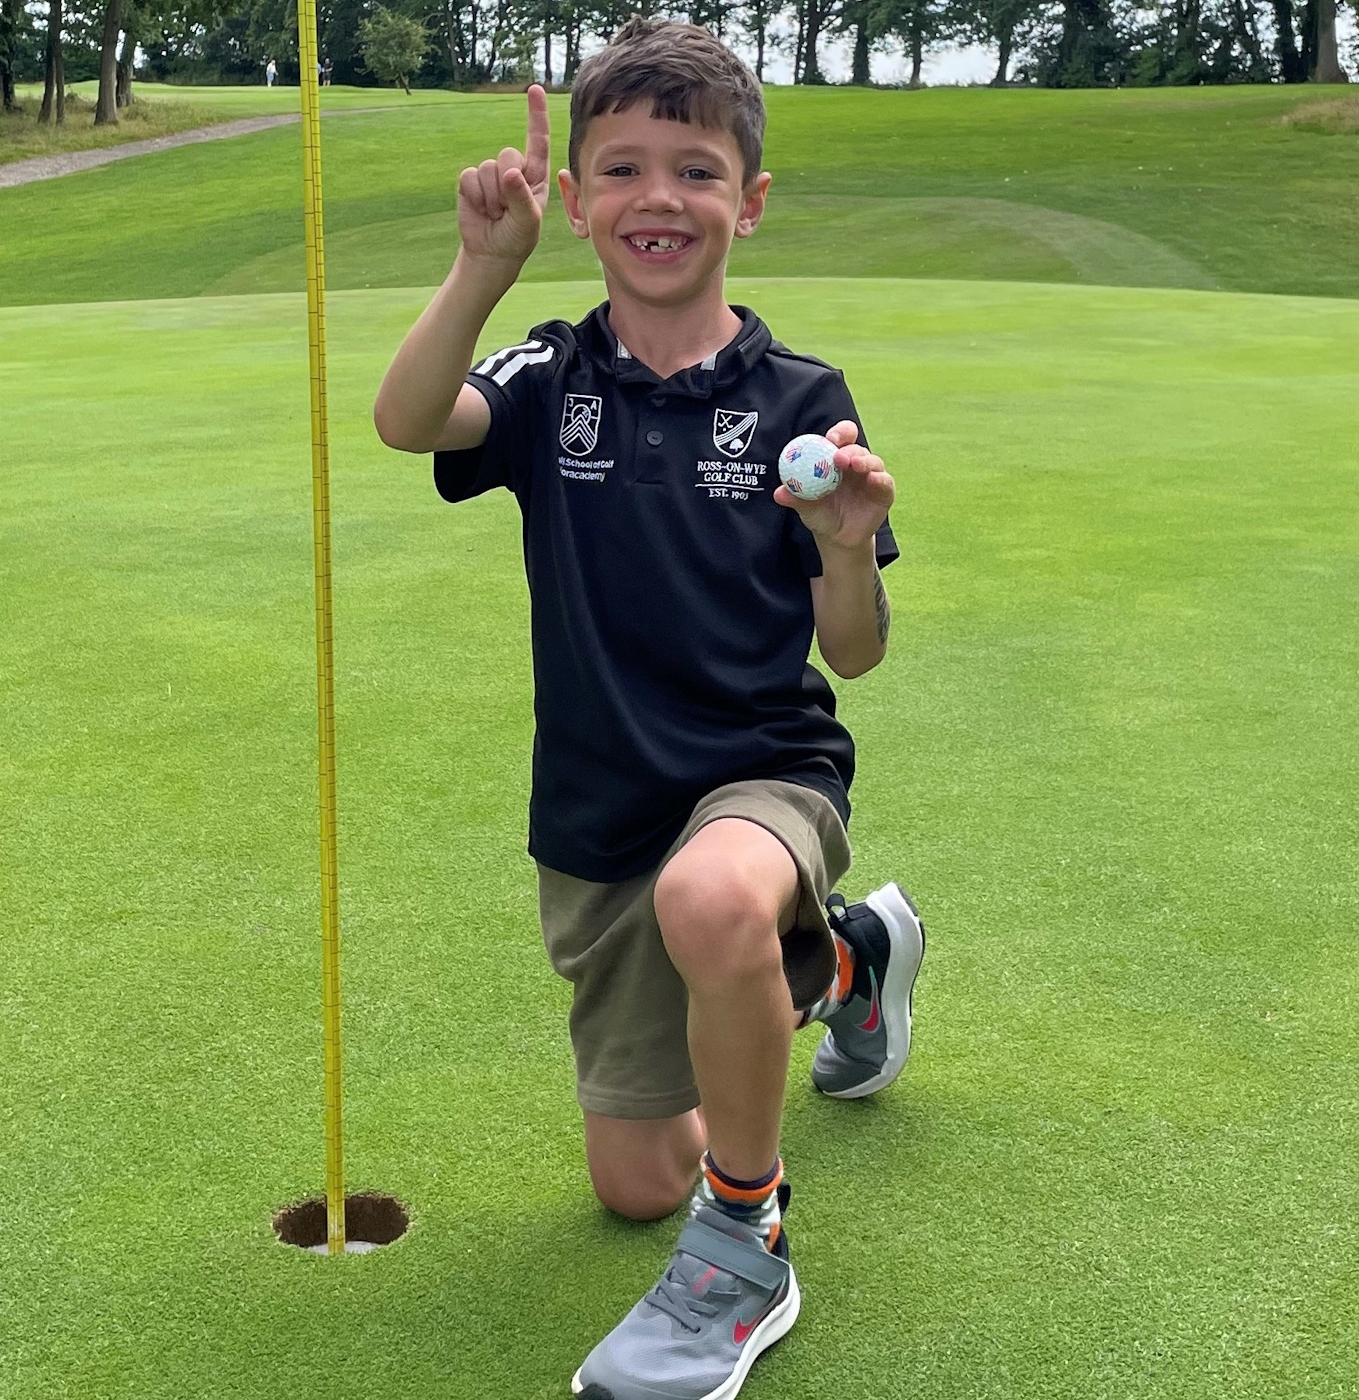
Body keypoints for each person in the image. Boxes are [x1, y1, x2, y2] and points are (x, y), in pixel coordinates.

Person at [371, 19, 925, 1400]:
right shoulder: (549, 374)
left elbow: (848, 656)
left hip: (762, 774)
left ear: (750, 201)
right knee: (633, 1182)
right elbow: (406, 418)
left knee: (717, 901)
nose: (657, 198)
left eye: (695, 169)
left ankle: (746, 1246)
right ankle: (847, 963)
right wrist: (483, 267)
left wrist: (846, 548)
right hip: (601, 810)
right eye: (620, 169)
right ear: (577, 204)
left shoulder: (803, 400)